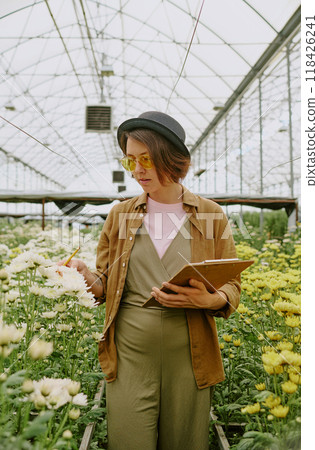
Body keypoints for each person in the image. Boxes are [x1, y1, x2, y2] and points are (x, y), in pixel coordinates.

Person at [63, 111, 241, 450]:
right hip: (130, 353)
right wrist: (86, 277)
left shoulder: (209, 213)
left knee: (185, 442)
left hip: (190, 355)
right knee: (129, 440)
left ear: (172, 160)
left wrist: (212, 300)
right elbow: (104, 284)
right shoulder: (121, 214)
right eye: (130, 161)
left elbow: (232, 283)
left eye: (146, 159)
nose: (138, 170)